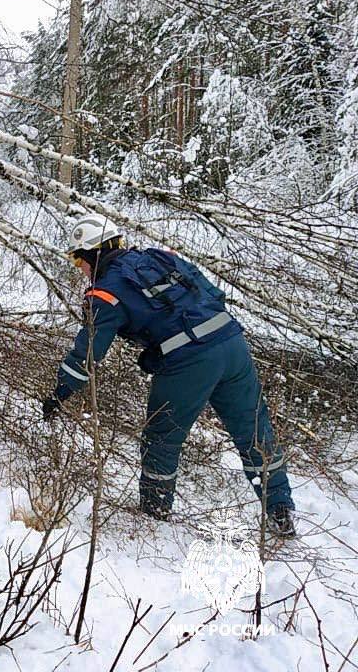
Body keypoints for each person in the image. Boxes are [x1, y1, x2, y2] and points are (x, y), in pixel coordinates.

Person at [42, 213, 296, 536]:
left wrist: (59, 394)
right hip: (232, 342)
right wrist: (161, 346)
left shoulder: (104, 293)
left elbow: (87, 355)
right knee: (254, 431)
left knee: (161, 436)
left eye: (80, 262)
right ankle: (280, 510)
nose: (82, 271)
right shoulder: (160, 257)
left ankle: (154, 511)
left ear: (94, 254)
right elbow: (213, 295)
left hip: (190, 360)